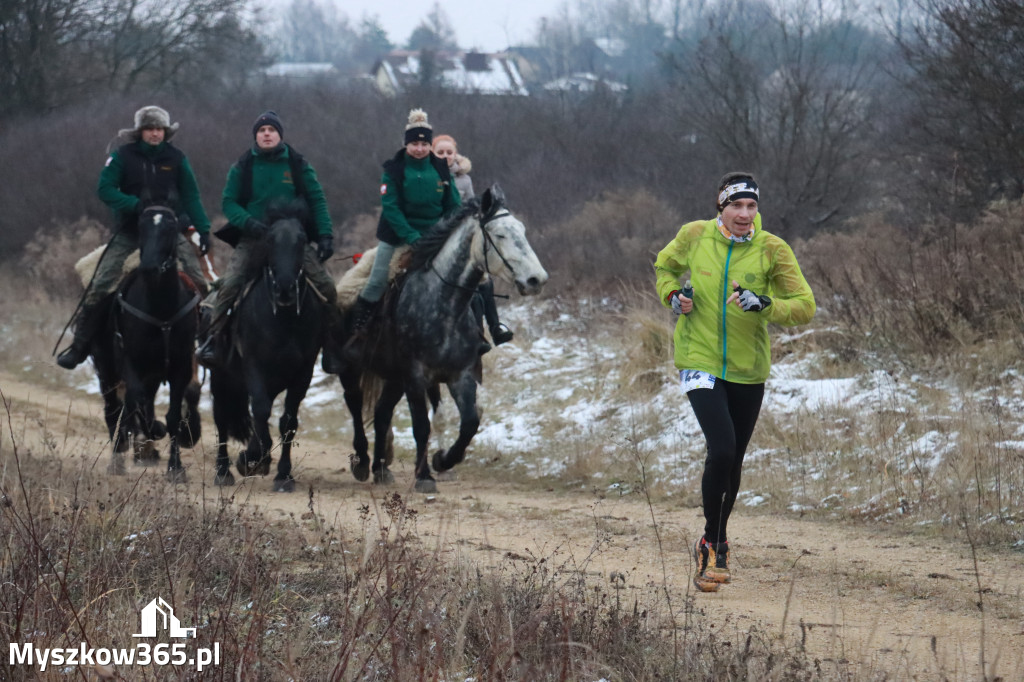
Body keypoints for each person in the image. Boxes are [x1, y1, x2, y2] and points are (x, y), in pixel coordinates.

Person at [654, 172, 816, 593]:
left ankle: (711, 536)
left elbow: (805, 306)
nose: (744, 214)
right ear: (720, 207)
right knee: (721, 446)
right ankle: (716, 545)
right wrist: (673, 296)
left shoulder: (772, 248)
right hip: (699, 359)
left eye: (751, 206)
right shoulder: (694, 236)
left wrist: (765, 304)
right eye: (736, 206)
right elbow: (664, 267)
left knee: (734, 460)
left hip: (747, 368)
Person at [57, 105, 212, 370]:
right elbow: (105, 189)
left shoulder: (177, 158)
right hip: (131, 233)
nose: (154, 134)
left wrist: (203, 228)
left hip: (168, 233)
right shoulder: (122, 157)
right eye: (150, 129)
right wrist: (133, 204)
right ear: (140, 132)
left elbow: (191, 196)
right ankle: (80, 345)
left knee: (199, 283)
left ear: (166, 132)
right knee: (100, 282)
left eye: (159, 129)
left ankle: (206, 344)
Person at [196, 110, 342, 372]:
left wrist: (326, 235)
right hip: (254, 237)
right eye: (261, 131)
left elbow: (317, 200)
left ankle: (332, 345)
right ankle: (213, 341)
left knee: (327, 287)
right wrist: (248, 222)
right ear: (256, 136)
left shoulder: (298, 164)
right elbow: (229, 203)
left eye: (271, 130)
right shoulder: (243, 166)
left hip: (292, 239)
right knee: (229, 285)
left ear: (280, 135)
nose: (266, 134)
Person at [349, 108, 461, 331]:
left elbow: (453, 205)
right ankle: (357, 328)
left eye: (424, 144)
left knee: (467, 278)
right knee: (377, 280)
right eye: (414, 144)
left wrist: (447, 230)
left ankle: (480, 328)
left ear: (430, 145)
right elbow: (391, 208)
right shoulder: (393, 170)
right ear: (405, 144)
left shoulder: (441, 168)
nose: (419, 149)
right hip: (396, 235)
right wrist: (411, 237)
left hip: (435, 234)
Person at [432, 134, 514, 350]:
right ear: (433, 153)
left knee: (482, 278)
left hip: (459, 236)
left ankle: (494, 327)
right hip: (433, 235)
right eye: (440, 152)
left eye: (449, 152)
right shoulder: (426, 175)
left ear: (455, 154)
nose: (445, 156)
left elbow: (470, 208)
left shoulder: (464, 179)